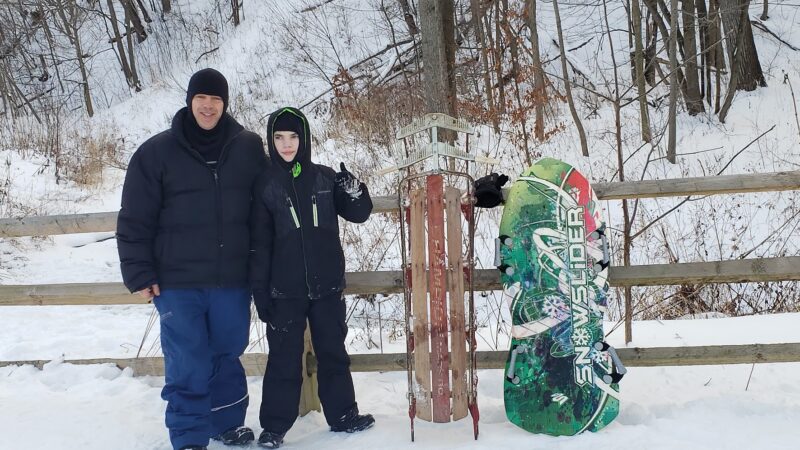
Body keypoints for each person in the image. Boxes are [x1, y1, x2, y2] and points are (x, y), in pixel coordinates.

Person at [116, 68, 267, 450]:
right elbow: (135, 217)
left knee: (228, 350)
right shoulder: (156, 153)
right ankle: (188, 436)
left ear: (225, 103)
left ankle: (226, 423)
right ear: (190, 100)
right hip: (177, 281)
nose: (208, 105)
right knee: (188, 359)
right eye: (202, 97)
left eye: (216, 99)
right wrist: (139, 271)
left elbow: (269, 203)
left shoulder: (247, 147)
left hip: (231, 278)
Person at [249, 106, 375, 448]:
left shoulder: (324, 177)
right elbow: (259, 245)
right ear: (270, 141)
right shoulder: (265, 185)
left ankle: (343, 414)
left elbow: (360, 213)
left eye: (293, 137)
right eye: (279, 137)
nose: (286, 144)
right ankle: (274, 426)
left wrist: (355, 189)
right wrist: (260, 294)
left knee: (333, 352)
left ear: (304, 139)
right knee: (284, 360)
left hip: (327, 287)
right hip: (284, 291)